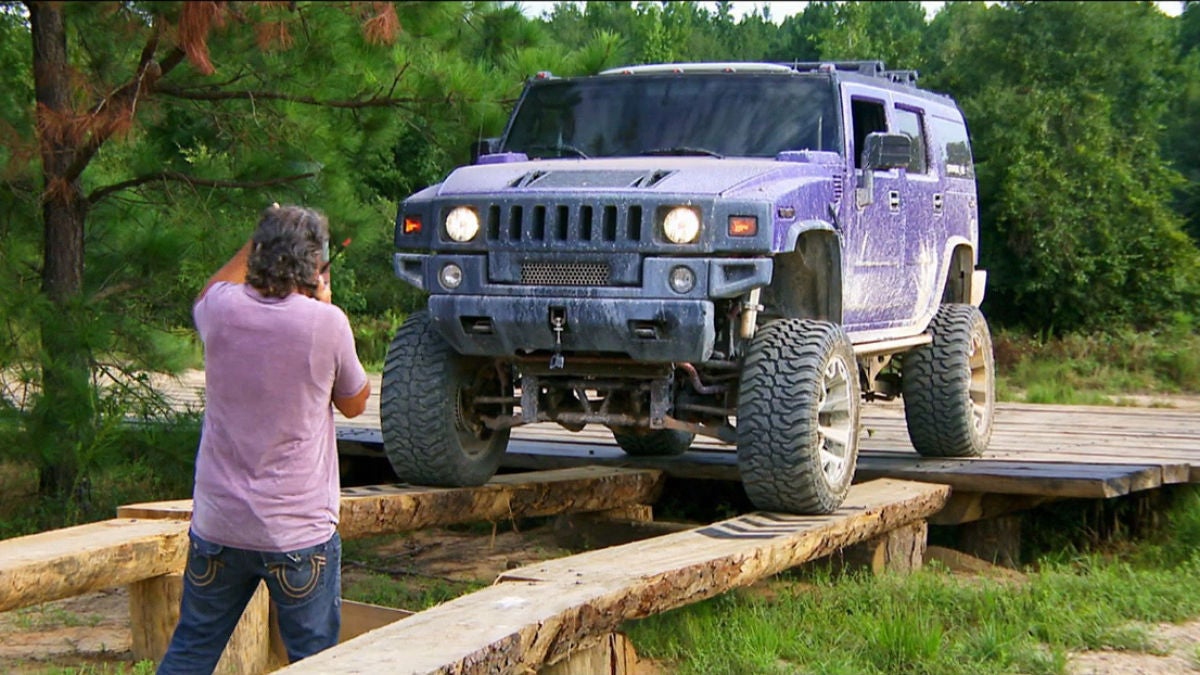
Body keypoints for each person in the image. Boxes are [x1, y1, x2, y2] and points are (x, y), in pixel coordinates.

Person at [157, 204, 370, 674]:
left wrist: (258, 234)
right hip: (298, 530)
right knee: (313, 663)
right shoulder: (326, 323)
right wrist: (324, 307)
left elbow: (210, 288)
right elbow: (355, 402)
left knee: (192, 649)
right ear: (313, 265)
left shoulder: (220, 309)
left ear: (258, 253)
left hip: (220, 523)